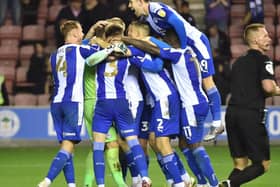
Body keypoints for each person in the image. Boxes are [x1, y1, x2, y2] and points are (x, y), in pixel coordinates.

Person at [128, 0, 224, 142]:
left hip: (195, 43)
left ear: (141, 1)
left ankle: (217, 122)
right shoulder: (148, 18)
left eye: (131, 2)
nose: (130, 6)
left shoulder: (155, 8)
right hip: (182, 48)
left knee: (207, 81)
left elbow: (178, 23)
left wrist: (183, 48)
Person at [37, 20, 117, 187]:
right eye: (81, 31)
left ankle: (71, 184)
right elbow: (99, 49)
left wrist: (91, 30)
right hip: (73, 102)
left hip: (56, 103)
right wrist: (107, 44)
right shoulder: (82, 50)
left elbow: (80, 47)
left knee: (67, 148)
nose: (83, 34)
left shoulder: (54, 55)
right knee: (68, 147)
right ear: (74, 34)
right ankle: (47, 180)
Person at [219, 23, 280, 187]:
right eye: (265, 35)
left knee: (240, 165)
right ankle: (225, 185)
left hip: (231, 114)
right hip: (250, 115)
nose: (269, 38)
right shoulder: (264, 60)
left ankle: (228, 184)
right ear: (255, 40)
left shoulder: (238, 62)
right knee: (262, 164)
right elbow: (268, 87)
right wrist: (277, 90)